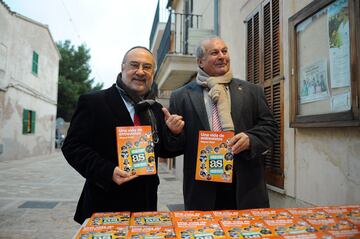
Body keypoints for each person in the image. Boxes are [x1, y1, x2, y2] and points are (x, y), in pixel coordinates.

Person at [62, 46, 177, 224]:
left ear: (152, 73)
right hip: (105, 203)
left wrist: (174, 133)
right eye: (134, 65)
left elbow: (164, 151)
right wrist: (108, 172)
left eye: (147, 67)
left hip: (144, 206)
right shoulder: (93, 102)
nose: (140, 71)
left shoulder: (154, 108)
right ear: (122, 68)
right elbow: (72, 147)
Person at [163, 37, 278, 211]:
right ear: (200, 61)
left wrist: (251, 139)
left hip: (245, 187)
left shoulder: (251, 91)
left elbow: (270, 127)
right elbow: (175, 148)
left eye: (224, 51)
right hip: (202, 190)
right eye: (214, 53)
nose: (222, 56)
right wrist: (174, 132)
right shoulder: (181, 96)